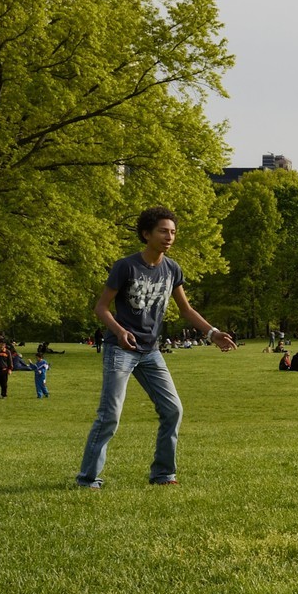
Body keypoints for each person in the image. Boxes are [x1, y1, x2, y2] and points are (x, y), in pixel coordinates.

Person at [76, 206, 237, 488]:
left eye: (173, 232)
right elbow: (101, 308)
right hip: (120, 349)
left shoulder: (172, 268)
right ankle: (88, 478)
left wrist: (212, 333)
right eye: (163, 231)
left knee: (173, 409)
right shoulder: (125, 266)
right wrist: (120, 330)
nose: (169, 236)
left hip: (150, 352)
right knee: (110, 414)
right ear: (146, 234)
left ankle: (163, 474)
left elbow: (185, 310)